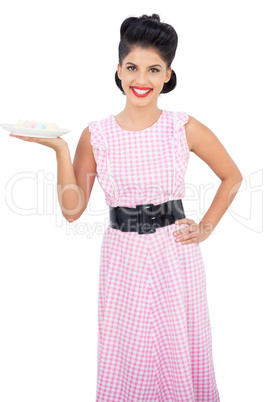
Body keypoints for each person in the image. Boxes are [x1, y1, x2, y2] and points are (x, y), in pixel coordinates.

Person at [10, 13, 242, 402]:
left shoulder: (182, 127)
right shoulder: (96, 134)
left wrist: (205, 227)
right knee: (129, 353)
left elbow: (232, 177)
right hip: (123, 258)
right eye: (132, 67)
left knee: (176, 346)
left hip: (175, 255)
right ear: (118, 70)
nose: (141, 80)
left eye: (154, 70)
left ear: (168, 75)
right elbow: (72, 210)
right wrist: (60, 150)